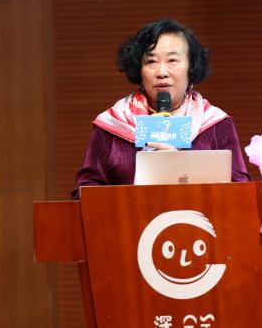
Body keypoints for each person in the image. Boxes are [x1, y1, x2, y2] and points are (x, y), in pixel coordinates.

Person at [72, 19, 250, 198]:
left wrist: (180, 169)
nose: (161, 72)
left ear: (191, 68)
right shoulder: (111, 125)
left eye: (172, 60)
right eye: (151, 61)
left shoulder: (216, 124)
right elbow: (85, 192)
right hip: (130, 215)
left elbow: (239, 191)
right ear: (139, 70)